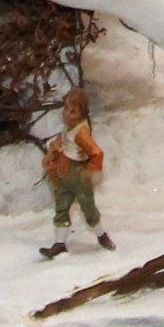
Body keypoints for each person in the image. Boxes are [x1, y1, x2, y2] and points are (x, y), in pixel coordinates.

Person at [38, 87, 113, 258]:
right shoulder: (70, 128)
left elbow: (97, 153)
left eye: (72, 111)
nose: (67, 113)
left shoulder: (81, 133)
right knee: (62, 206)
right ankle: (59, 244)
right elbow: (63, 141)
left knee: (88, 209)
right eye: (66, 108)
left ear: (82, 113)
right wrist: (54, 150)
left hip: (78, 175)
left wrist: (89, 170)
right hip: (64, 173)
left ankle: (101, 235)